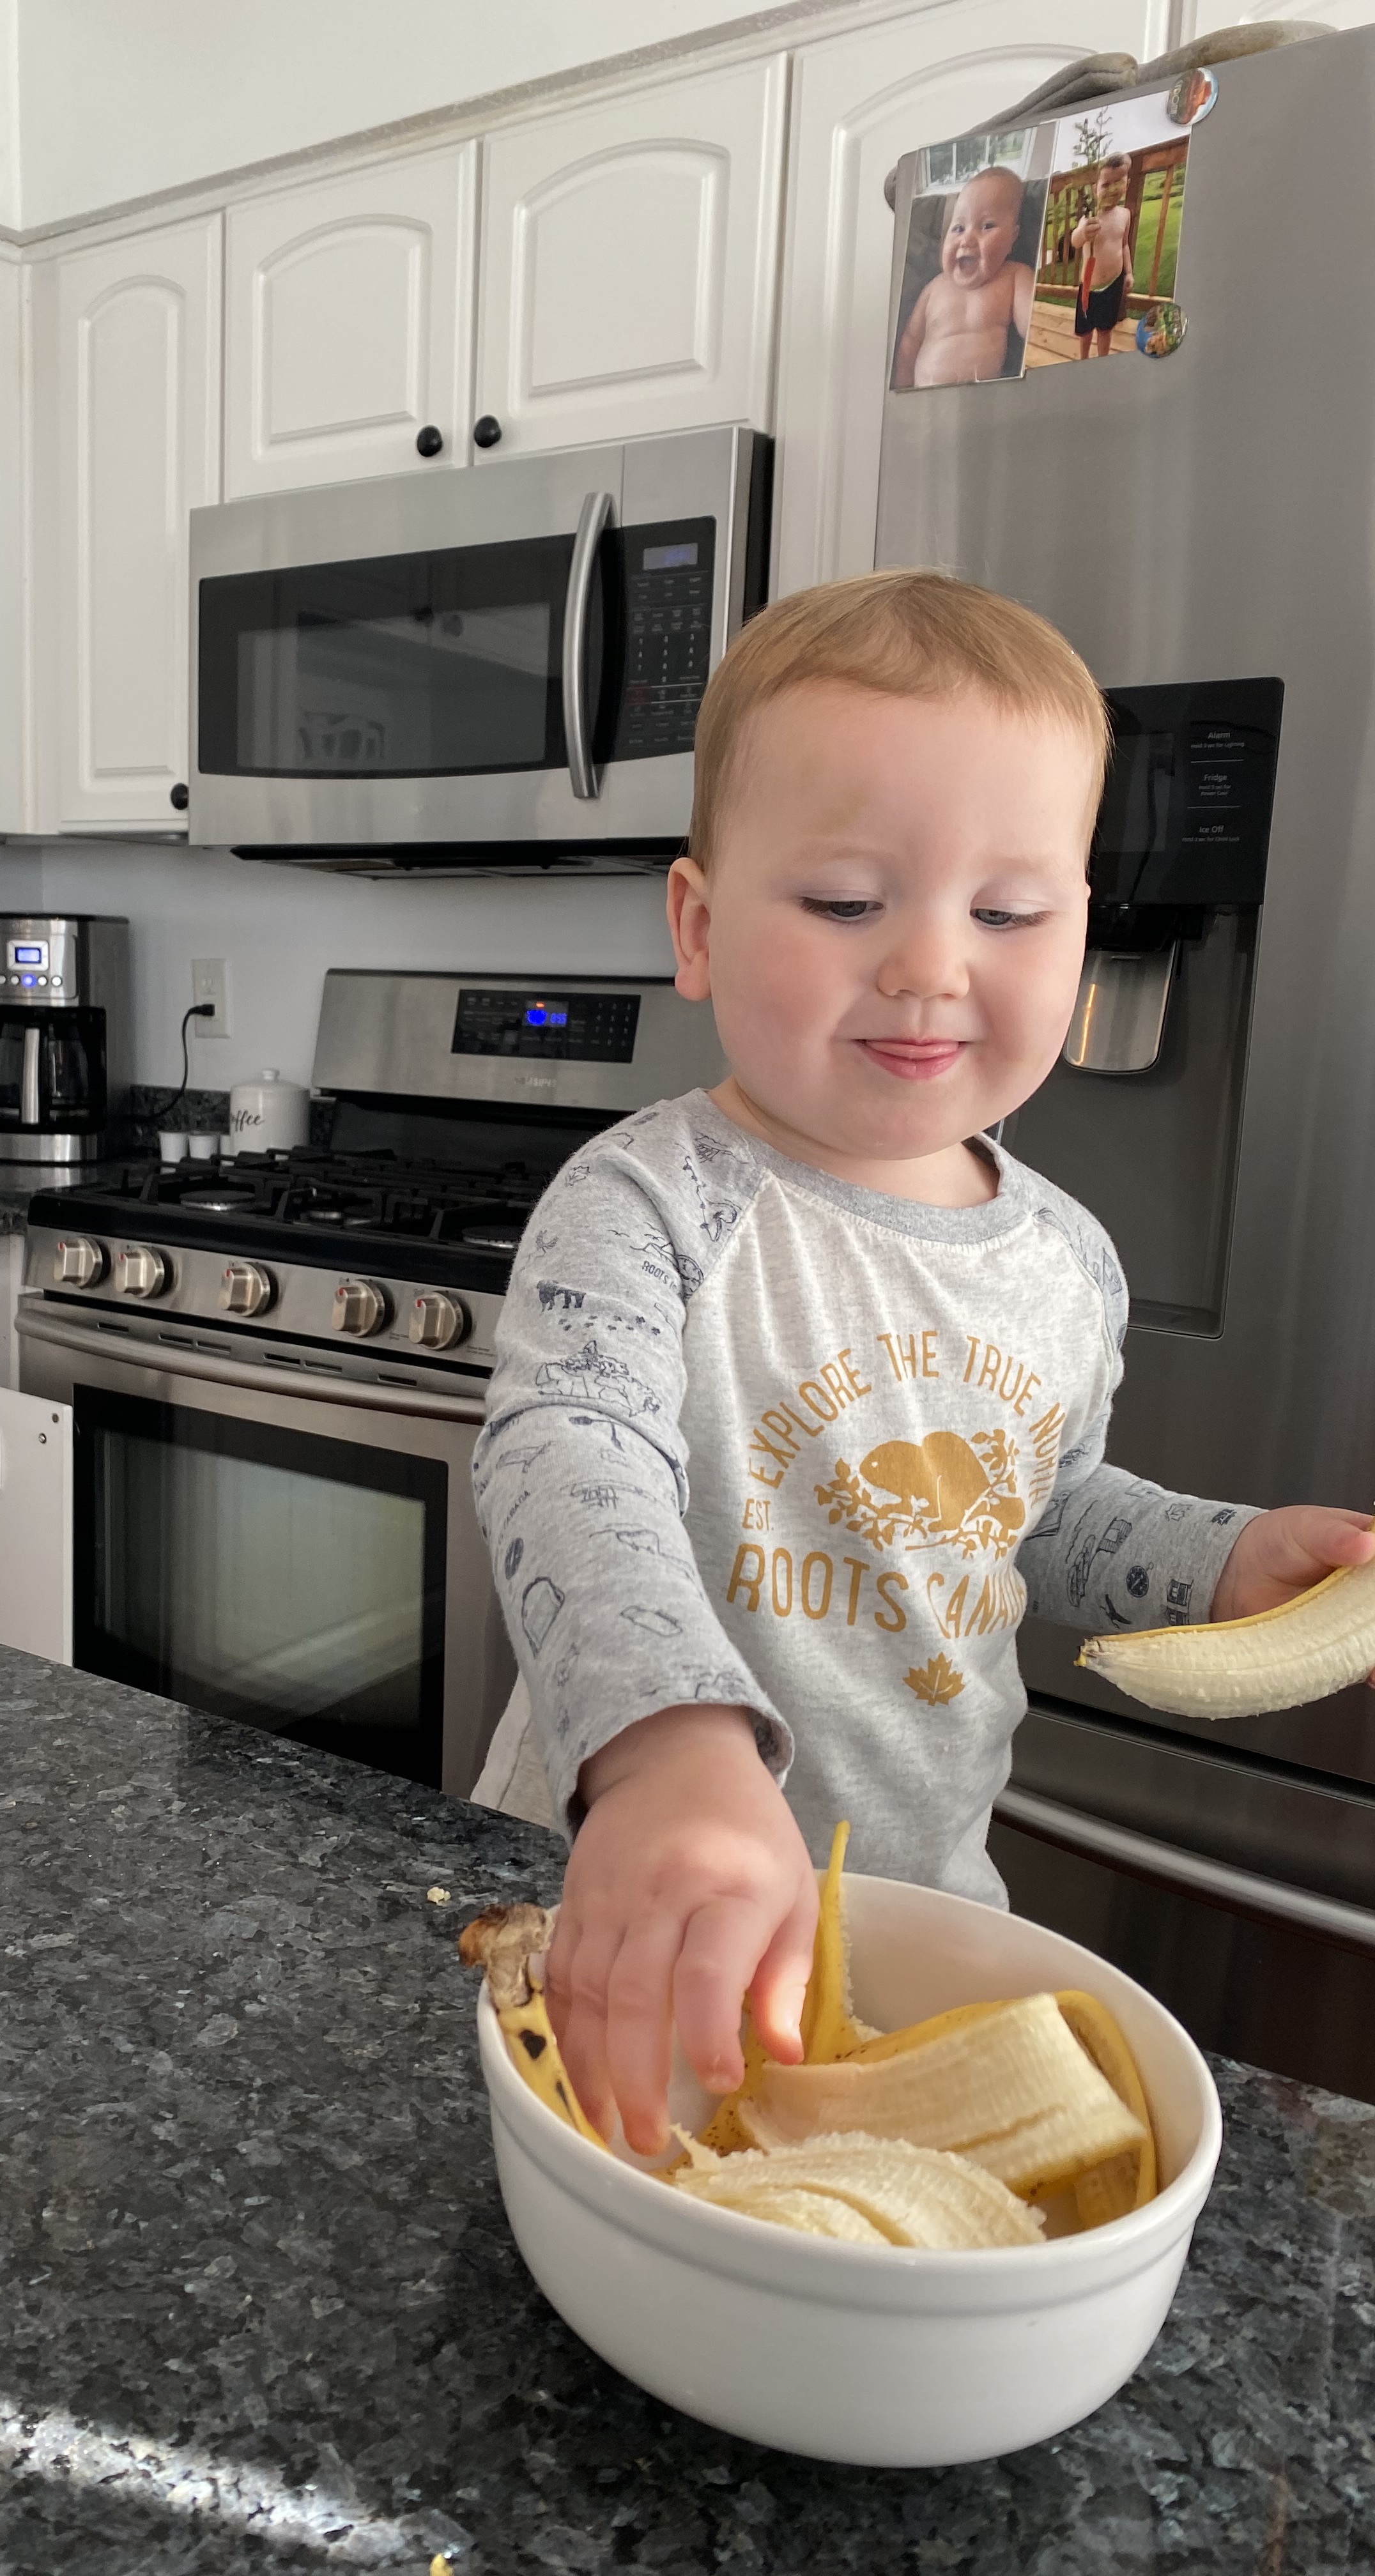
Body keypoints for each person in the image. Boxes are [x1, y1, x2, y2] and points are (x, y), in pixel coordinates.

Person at [471, 570, 1375, 2156]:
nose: (930, 966)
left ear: (1080, 932)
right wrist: (671, 1756)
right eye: (844, 902)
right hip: (619, 1908)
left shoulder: (1065, 1259)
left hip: (909, 1927)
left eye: (1008, 912)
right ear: (697, 924)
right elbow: (569, 1454)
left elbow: (1045, 1516)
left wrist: (1223, 1562)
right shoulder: (647, 1204)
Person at [891, 167, 1036, 388]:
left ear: (1012, 238)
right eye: (958, 228)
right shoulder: (934, 287)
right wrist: (902, 391)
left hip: (981, 401)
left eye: (987, 226)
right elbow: (910, 343)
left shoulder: (1014, 276)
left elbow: (1035, 327)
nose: (967, 238)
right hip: (924, 399)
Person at [1072, 155, 1133, 358]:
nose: (1111, 190)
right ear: (1095, 187)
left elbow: (1124, 246)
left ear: (1127, 185)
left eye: (1118, 183)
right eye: (1106, 184)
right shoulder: (1089, 218)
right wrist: (1083, 233)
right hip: (1090, 287)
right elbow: (1075, 241)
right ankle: (1083, 360)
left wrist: (1129, 273)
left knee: (1106, 330)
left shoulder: (1125, 215)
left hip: (1115, 284)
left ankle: (1102, 362)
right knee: (1085, 332)